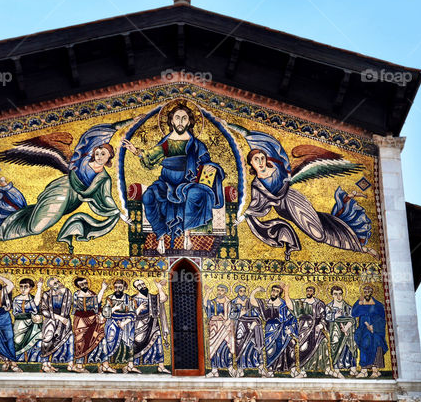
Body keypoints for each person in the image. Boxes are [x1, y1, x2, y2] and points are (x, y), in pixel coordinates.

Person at [0, 122, 130, 252]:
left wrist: (120, 214)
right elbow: (98, 135)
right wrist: (126, 122)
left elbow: (106, 198)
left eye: (102, 154)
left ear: (109, 158)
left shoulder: (104, 178)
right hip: (63, 190)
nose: (98, 156)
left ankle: (8, 192)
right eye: (97, 153)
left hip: (73, 202)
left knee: (34, 215)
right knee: (36, 227)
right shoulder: (83, 162)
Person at [234, 128, 377, 260]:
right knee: (318, 229)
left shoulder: (278, 171)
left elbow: (285, 162)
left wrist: (242, 131)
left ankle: (359, 247)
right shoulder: (257, 184)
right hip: (283, 210)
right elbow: (256, 203)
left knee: (318, 235)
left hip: (294, 200)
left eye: (262, 158)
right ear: (250, 163)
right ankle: (356, 244)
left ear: (266, 158)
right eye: (256, 159)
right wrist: (244, 217)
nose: (260, 162)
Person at [124, 102, 226, 253]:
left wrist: (212, 168)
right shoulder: (166, 143)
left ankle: (187, 235)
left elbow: (206, 162)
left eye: (184, 118)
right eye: (177, 118)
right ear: (171, 121)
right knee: (148, 196)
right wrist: (136, 151)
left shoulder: (197, 145)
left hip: (188, 183)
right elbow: (151, 157)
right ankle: (160, 237)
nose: (180, 122)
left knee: (195, 194)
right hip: (166, 182)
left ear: (189, 121)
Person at [252, 283, 300, 377]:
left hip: (282, 329)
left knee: (289, 345)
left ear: (279, 293)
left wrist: (286, 292)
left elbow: (291, 309)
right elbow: (253, 302)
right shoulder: (266, 302)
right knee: (270, 349)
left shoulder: (283, 304)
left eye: (277, 291)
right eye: (273, 290)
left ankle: (293, 370)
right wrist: (255, 291)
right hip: (270, 329)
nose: (274, 293)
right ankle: (270, 370)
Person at [126, 278, 170, 374]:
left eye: (143, 284)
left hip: (153, 324)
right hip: (139, 325)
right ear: (136, 288)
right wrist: (139, 308)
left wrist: (159, 287)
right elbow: (130, 314)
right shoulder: (132, 299)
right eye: (139, 285)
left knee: (158, 343)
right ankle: (130, 366)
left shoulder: (152, 297)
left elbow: (163, 298)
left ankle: (161, 366)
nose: (142, 286)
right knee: (135, 345)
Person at [94, 278, 135, 373]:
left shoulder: (129, 299)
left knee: (126, 343)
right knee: (110, 342)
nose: (117, 289)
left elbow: (133, 313)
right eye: (116, 287)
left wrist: (124, 323)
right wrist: (115, 308)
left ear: (124, 287)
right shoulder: (110, 298)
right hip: (111, 322)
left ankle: (125, 365)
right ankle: (105, 365)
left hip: (126, 324)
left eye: (120, 287)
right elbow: (106, 313)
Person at [69, 277, 108, 373]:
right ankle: (79, 365)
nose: (84, 285)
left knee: (98, 338)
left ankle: (102, 364)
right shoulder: (76, 294)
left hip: (93, 320)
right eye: (81, 284)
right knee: (80, 341)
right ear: (78, 286)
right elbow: (75, 308)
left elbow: (98, 303)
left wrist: (103, 289)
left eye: (85, 283)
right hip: (80, 321)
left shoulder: (92, 293)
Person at [37, 277, 73, 372]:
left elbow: (69, 306)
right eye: (55, 283)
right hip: (51, 321)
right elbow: (44, 311)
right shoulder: (47, 295)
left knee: (69, 340)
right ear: (51, 286)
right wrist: (58, 318)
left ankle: (69, 364)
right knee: (47, 340)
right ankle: (45, 364)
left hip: (65, 322)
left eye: (58, 281)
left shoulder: (67, 293)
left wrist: (63, 319)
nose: (58, 283)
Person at [351, 284, 387, 378]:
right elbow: (354, 313)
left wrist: (374, 327)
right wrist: (359, 303)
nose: (367, 294)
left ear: (372, 292)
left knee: (375, 345)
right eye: (365, 292)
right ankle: (364, 371)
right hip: (363, 330)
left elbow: (382, 319)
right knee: (364, 346)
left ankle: (375, 370)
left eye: (369, 291)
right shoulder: (360, 303)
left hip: (374, 331)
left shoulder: (378, 305)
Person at [295, 286, 329, 374]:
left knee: (323, 341)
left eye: (311, 291)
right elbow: (295, 313)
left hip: (316, 328)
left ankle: (321, 366)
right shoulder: (301, 302)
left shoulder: (319, 303)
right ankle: (302, 367)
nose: (309, 292)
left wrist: (321, 325)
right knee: (302, 346)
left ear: (313, 292)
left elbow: (324, 317)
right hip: (303, 328)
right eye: (307, 291)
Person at [324, 285, 356, 377]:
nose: (338, 297)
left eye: (340, 294)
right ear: (332, 295)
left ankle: (352, 368)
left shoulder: (348, 307)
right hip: (335, 331)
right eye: (335, 294)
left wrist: (346, 327)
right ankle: (336, 369)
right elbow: (326, 317)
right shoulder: (329, 307)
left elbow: (352, 318)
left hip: (347, 331)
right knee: (336, 345)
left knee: (349, 347)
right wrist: (335, 316)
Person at [230, 284, 262, 376]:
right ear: (237, 292)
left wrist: (256, 321)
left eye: (244, 291)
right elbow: (231, 315)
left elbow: (257, 312)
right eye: (241, 291)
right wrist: (240, 314)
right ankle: (240, 367)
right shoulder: (233, 302)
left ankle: (255, 365)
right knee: (240, 344)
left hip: (251, 325)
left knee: (252, 344)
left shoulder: (250, 301)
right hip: (240, 325)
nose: (243, 293)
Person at [205, 284, 235, 377]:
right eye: (218, 290)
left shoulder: (229, 303)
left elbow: (234, 314)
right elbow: (205, 305)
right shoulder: (213, 302)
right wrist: (207, 293)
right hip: (215, 328)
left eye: (222, 290)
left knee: (226, 347)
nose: (219, 292)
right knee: (214, 348)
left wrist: (228, 320)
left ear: (225, 291)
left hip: (226, 328)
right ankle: (214, 369)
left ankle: (230, 367)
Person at [12, 278, 44, 363]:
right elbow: (15, 313)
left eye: (26, 287)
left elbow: (36, 303)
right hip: (19, 325)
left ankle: (32, 360)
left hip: (32, 324)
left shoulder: (33, 299)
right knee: (17, 341)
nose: (23, 289)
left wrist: (39, 287)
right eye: (21, 287)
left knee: (39, 338)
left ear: (31, 288)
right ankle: (18, 360)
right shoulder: (16, 299)